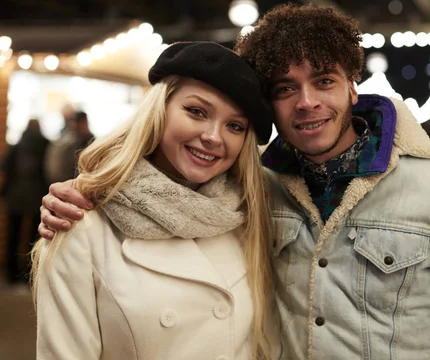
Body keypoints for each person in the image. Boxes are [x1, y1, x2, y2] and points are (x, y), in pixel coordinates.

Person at [39, 4, 430, 359]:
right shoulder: (256, 189)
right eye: (285, 88)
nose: (307, 101)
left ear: (352, 87)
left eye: (324, 80)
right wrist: (90, 192)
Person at [31, 42, 274, 359]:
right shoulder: (80, 223)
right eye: (196, 111)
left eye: (235, 126)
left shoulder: (247, 217)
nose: (214, 136)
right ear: (159, 110)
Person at [1, 119, 49, 286]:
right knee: (35, 238)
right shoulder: (46, 146)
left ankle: (11, 274)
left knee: (13, 236)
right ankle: (30, 273)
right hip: (38, 198)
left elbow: (5, 166)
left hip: (16, 196)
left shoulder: (16, 146)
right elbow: (50, 171)